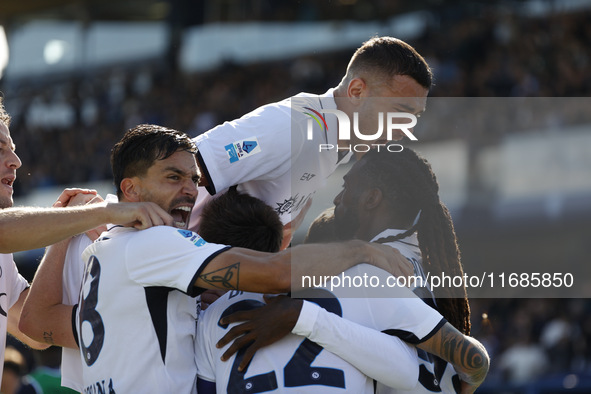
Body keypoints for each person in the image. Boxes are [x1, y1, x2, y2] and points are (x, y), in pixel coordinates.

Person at [19, 124, 408, 393]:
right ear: (130, 189)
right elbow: (273, 274)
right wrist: (361, 250)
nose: (191, 191)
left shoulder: (100, 256)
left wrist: (67, 230)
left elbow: (37, 323)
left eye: (194, 179)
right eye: (174, 178)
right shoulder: (156, 246)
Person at [215, 148, 489, 393]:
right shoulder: (426, 265)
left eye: (346, 187)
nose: (336, 199)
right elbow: (475, 363)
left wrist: (299, 315)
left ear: (371, 198)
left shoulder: (363, 272)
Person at [0, 97, 182, 389]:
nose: (16, 161)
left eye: (13, 149)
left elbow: (33, 329)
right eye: (0, 149)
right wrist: (105, 212)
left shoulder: (2, 258)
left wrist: (64, 232)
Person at [190, 36, 432, 248]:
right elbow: (186, 160)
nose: (406, 129)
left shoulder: (341, 146)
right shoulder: (292, 126)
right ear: (357, 91)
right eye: (400, 111)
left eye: (414, 118)